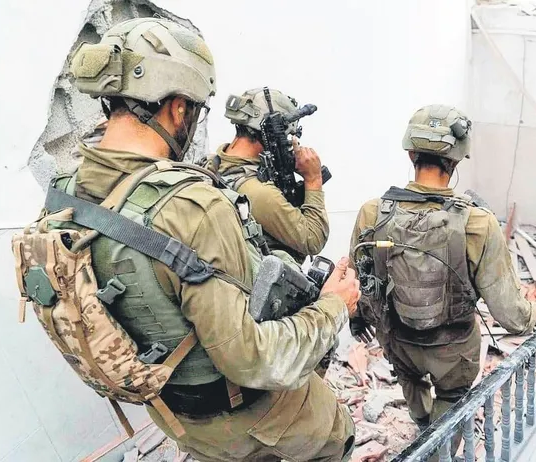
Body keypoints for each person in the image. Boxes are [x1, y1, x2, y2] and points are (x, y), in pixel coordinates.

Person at [45, 18, 358, 461]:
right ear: (178, 108)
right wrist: (334, 306)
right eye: (195, 110)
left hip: (174, 414)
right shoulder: (193, 207)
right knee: (337, 439)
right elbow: (254, 360)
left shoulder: (64, 194)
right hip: (251, 413)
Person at [348, 105, 536, 448]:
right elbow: (511, 315)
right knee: (451, 403)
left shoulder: (372, 212)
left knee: (411, 383)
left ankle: (421, 427)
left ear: (411, 154)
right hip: (453, 351)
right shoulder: (478, 223)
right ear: (456, 160)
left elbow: (358, 280)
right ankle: (436, 448)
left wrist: (358, 319)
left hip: (398, 340)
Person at [205, 88, 329, 263]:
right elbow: (312, 240)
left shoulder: (211, 165)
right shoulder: (259, 192)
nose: (289, 143)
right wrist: (313, 179)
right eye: (287, 136)